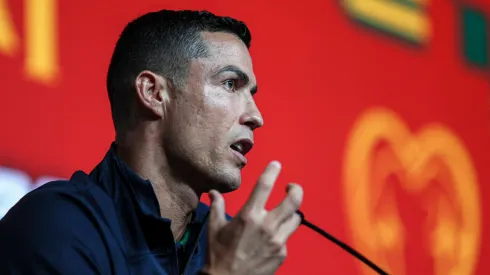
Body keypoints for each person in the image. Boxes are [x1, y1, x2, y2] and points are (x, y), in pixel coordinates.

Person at [0, 9, 303, 275]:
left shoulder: (223, 242)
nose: (256, 116)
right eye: (229, 84)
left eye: (252, 94)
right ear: (154, 94)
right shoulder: (54, 226)